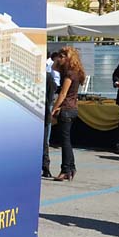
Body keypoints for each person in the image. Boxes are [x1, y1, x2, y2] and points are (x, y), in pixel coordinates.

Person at [51, 46, 85, 181]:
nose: (59, 59)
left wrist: (54, 108)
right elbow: (54, 67)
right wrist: (60, 58)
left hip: (66, 109)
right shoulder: (75, 72)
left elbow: (63, 93)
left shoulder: (69, 74)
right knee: (67, 141)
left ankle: (66, 169)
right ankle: (71, 167)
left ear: (68, 58)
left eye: (62, 56)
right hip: (73, 109)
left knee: (64, 141)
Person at [42, 51, 59, 178]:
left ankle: (45, 166)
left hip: (42, 112)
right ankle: (45, 167)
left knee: (44, 141)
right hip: (44, 111)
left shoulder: (47, 76)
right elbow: (51, 95)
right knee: (44, 142)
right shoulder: (48, 77)